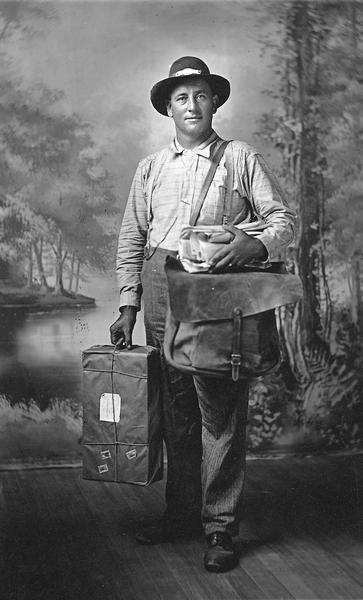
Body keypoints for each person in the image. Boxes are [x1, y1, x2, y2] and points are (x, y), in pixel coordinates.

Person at [110, 56, 295, 573]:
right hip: (161, 289)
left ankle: (220, 528)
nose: (192, 105)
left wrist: (247, 244)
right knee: (175, 414)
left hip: (216, 294)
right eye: (181, 97)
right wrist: (129, 304)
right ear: (168, 108)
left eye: (201, 95)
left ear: (215, 101)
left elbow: (282, 221)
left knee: (220, 412)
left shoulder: (239, 158)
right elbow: (131, 240)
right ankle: (180, 516)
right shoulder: (150, 167)